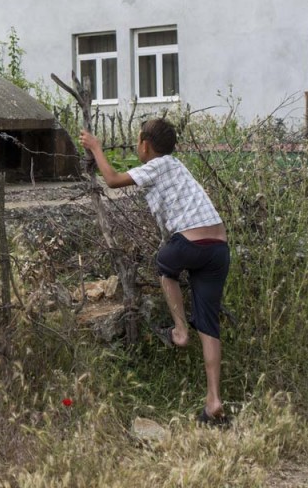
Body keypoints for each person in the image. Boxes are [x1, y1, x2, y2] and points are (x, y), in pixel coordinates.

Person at [80, 119, 230, 425]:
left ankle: (179, 331)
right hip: (218, 248)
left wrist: (95, 147)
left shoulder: (157, 164)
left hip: (192, 243)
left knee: (164, 265)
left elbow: (111, 179)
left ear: (145, 145)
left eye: (138, 142)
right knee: (209, 324)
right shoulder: (177, 167)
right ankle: (214, 400)